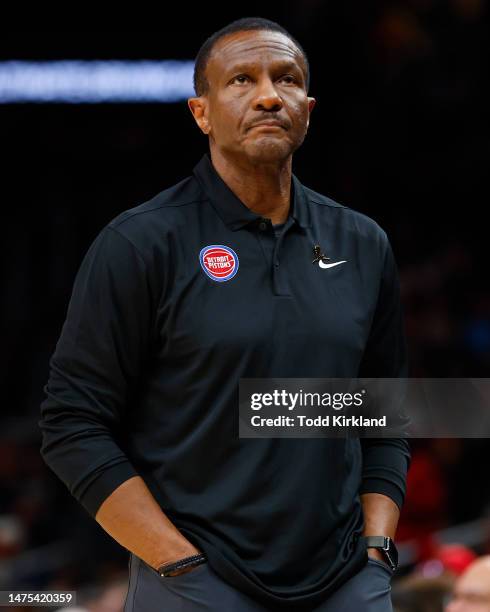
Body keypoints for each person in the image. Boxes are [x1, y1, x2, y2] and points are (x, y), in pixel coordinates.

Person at [39, 17, 410, 612]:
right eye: (241, 79)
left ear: (307, 109)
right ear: (201, 113)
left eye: (285, 79)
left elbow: (386, 414)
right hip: (198, 584)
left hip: (346, 583)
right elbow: (72, 424)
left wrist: (376, 548)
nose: (268, 94)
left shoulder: (363, 243)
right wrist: (174, 560)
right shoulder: (140, 243)